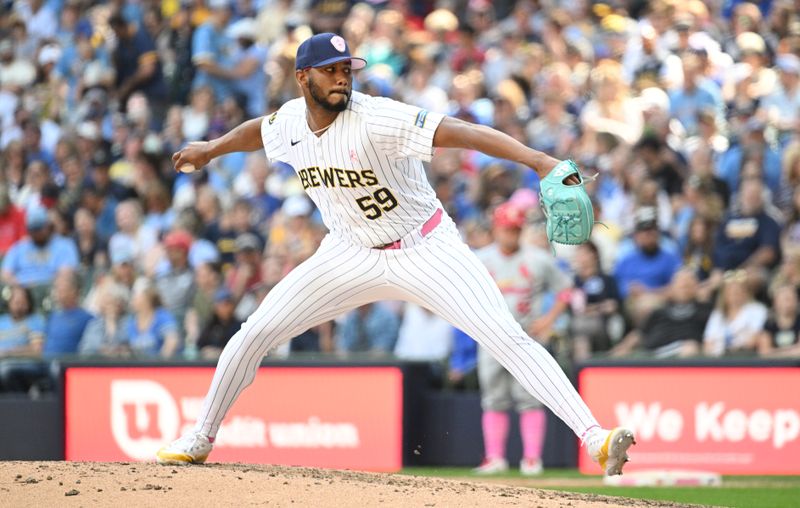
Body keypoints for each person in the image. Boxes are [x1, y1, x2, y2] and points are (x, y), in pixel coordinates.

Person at [157, 33, 635, 475]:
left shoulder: (377, 117)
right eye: (330, 69)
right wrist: (212, 149)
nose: (343, 77)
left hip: (424, 247)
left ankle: (594, 437)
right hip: (347, 253)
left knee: (506, 337)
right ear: (303, 77)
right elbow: (259, 129)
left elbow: (460, 131)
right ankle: (201, 436)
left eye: (347, 68)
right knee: (254, 332)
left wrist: (540, 161)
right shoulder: (288, 124)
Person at [472, 201, 571, 476]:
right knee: (493, 398)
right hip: (491, 337)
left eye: (515, 229)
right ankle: (495, 457)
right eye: (506, 229)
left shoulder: (538, 258)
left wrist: (549, 320)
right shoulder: (480, 258)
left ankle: (531, 458)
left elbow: (565, 290)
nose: (510, 234)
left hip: (526, 337)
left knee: (530, 396)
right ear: (496, 228)